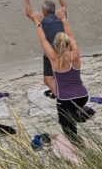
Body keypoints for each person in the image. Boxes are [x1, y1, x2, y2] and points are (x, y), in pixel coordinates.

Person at [32, 9, 89, 144]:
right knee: (71, 115)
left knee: (66, 127)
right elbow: (71, 35)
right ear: (69, 43)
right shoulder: (75, 54)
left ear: (56, 45)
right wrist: (63, 18)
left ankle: (78, 145)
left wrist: (38, 24)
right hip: (82, 97)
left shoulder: (54, 58)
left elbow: (43, 40)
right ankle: (77, 114)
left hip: (65, 99)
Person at [25, 0, 68, 97]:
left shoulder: (42, 21)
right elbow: (64, 6)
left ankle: (61, 97)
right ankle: (61, 93)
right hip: (64, 50)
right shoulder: (61, 17)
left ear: (44, 12)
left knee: (48, 80)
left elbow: (28, 13)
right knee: (60, 74)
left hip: (51, 54)